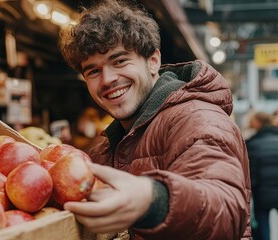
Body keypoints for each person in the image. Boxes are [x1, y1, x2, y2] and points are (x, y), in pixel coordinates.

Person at [58, 0, 251, 239]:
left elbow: (226, 210)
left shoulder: (197, 120)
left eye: (120, 61)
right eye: (93, 71)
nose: (107, 79)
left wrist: (154, 200)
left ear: (153, 61)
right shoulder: (105, 149)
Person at [246, 111, 278, 240]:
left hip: (262, 194)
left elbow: (251, 173)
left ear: (258, 123)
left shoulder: (253, 144)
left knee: (263, 226)